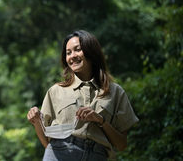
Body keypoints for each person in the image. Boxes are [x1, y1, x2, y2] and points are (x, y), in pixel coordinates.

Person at [27, 30, 138, 160]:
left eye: (77, 50)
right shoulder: (56, 91)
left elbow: (122, 144)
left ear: (91, 52)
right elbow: (46, 141)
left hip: (97, 156)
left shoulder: (115, 92)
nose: (72, 56)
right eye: (68, 53)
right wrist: (36, 122)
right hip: (60, 152)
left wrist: (100, 121)